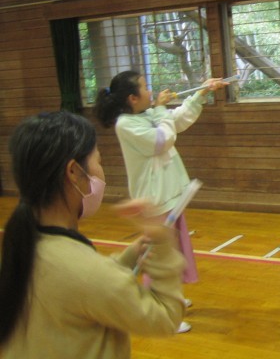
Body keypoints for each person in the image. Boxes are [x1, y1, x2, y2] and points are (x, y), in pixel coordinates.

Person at [0, 111, 185, 359]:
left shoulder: (23, 245)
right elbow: (164, 316)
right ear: (74, 172)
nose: (101, 171)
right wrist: (163, 243)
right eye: (99, 161)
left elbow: (78, 288)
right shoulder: (84, 272)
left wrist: (129, 256)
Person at [94, 71, 230, 333]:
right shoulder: (126, 124)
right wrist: (159, 109)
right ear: (133, 98)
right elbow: (161, 140)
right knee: (158, 255)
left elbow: (176, 121)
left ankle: (172, 295)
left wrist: (201, 93)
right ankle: (160, 307)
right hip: (154, 200)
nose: (151, 90)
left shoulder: (147, 115)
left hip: (169, 194)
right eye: (145, 87)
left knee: (173, 250)